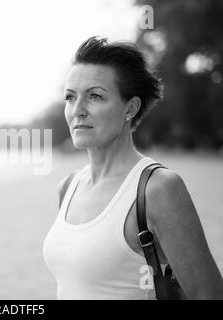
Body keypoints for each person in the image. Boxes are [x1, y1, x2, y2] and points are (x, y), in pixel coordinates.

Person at [42, 36, 223, 299]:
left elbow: (209, 294)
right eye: (70, 97)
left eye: (94, 96)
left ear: (131, 108)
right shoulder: (68, 186)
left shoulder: (158, 189)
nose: (77, 110)